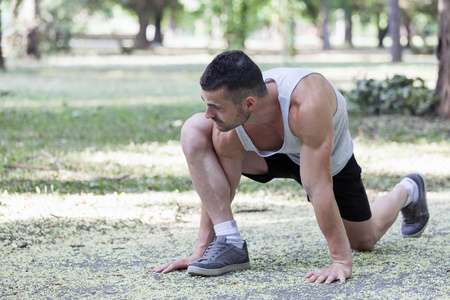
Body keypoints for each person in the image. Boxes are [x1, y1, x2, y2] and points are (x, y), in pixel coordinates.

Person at [154, 50, 429, 284]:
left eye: (215, 107)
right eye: (206, 104)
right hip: (265, 153)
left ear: (249, 103)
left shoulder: (306, 103)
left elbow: (318, 184)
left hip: (324, 158)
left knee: (363, 241)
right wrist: (202, 249)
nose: (208, 114)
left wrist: (340, 261)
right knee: (193, 130)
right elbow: (220, 189)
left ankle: (408, 190)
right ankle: (230, 243)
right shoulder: (228, 125)